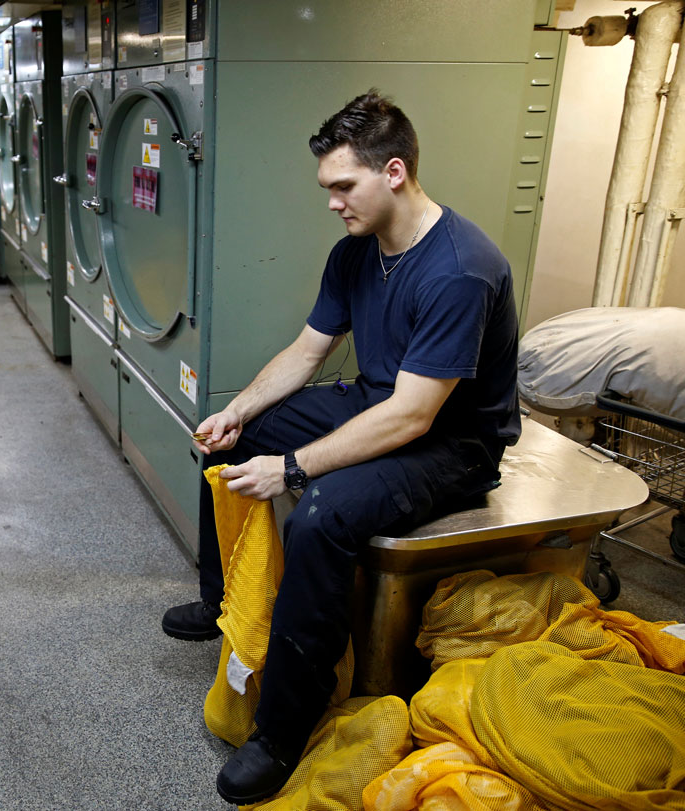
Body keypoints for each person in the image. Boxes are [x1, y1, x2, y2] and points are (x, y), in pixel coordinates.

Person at [160, 90, 521, 805]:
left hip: (453, 442)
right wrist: (236, 412)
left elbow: (416, 416)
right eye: (327, 188)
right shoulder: (357, 252)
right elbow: (305, 352)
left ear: (394, 171)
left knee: (320, 514)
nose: (332, 202)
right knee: (230, 446)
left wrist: (293, 468)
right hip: (382, 401)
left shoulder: (460, 267)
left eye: (342, 186)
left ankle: (281, 730)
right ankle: (221, 600)